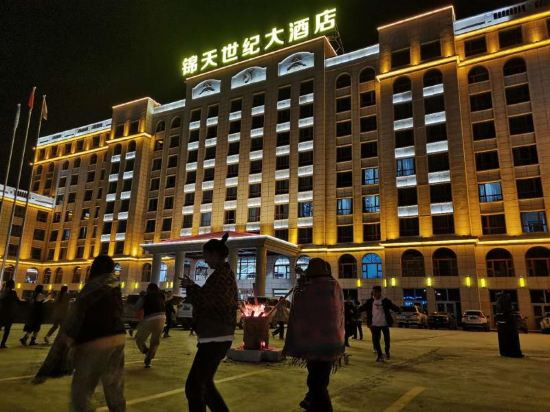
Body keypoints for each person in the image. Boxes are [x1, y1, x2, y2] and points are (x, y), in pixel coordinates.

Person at [180, 232, 238, 412]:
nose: (205, 260)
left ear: (214, 254)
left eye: (206, 255)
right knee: (204, 385)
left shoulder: (221, 276)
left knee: (194, 386)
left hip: (215, 336)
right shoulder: (222, 274)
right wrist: (193, 288)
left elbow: (211, 301)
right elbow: (210, 298)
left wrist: (191, 288)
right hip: (217, 335)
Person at [63, 255, 126, 411]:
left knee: (82, 389)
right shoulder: (115, 285)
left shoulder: (92, 286)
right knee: (114, 386)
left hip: (95, 339)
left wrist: (69, 340)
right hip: (117, 337)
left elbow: (78, 315)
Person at [284, 258, 345, 412]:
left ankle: (322, 407)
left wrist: (301, 283)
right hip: (332, 342)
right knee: (321, 379)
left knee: (315, 382)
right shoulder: (334, 285)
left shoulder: (307, 287)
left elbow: (298, 308)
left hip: (312, 341)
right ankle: (311, 402)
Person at [359, 286, 400, 362]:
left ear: (379, 292)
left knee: (387, 340)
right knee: (376, 340)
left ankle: (387, 352)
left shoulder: (385, 301)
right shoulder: (370, 301)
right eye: (373, 292)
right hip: (375, 324)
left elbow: (393, 307)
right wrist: (354, 311)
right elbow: (362, 308)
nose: (374, 293)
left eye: (375, 292)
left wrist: (399, 309)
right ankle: (380, 354)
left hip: (384, 324)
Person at [135, 283, 166, 368]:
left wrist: (141, 297)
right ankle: (149, 358)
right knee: (155, 341)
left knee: (139, 338)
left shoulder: (146, 296)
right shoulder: (162, 296)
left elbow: (137, 307)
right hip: (162, 318)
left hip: (150, 318)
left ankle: (146, 351)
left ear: (149, 289)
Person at [0, 279, 22, 348]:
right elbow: (18, 301)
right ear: (12, 285)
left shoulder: (2, 291)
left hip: (1, 312)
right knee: (7, 330)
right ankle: (2, 344)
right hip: (9, 313)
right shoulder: (13, 293)